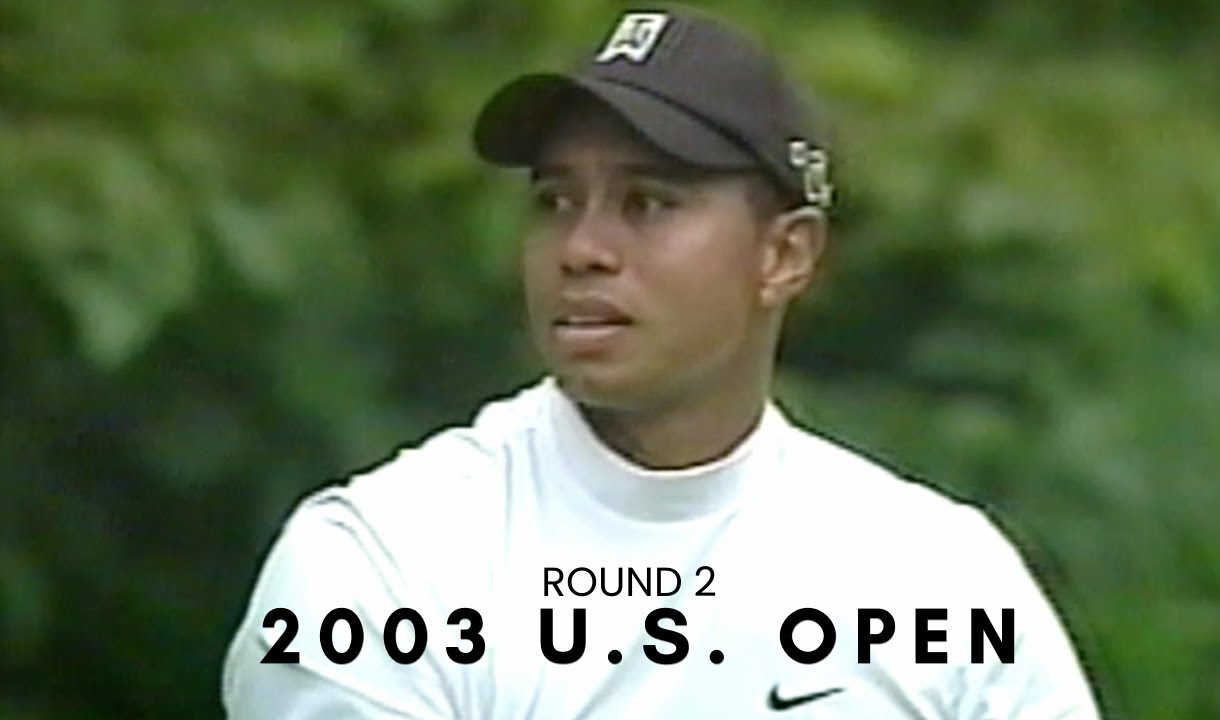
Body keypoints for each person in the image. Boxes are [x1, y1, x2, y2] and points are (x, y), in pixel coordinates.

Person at [222, 7, 1102, 719]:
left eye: (647, 202)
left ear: (785, 255)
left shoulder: (943, 582)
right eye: (555, 201)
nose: (581, 248)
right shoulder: (382, 569)